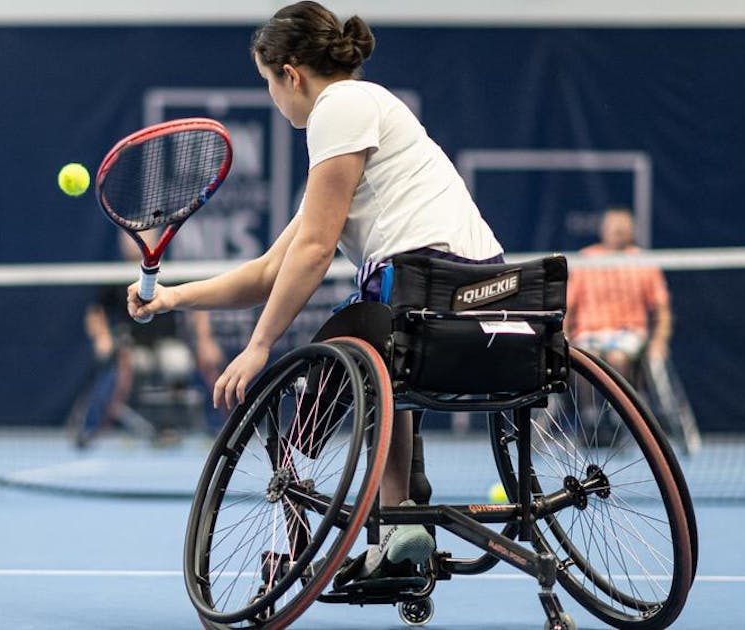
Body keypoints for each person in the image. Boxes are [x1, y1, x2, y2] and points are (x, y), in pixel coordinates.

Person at [126, 1, 503, 580]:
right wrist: (174, 297)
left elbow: (314, 250)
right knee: (381, 352)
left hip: (426, 292)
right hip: (494, 305)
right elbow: (268, 271)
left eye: (268, 84)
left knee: (345, 357)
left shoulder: (340, 105)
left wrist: (258, 347)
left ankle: (378, 510)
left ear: (292, 75)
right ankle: (400, 522)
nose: (276, 102)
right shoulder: (359, 130)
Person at [68, 234, 224, 447]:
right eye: (129, 238)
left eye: (141, 236)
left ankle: (219, 429)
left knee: (198, 364)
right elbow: (95, 312)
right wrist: (102, 337)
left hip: (170, 345)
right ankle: (90, 429)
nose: (133, 241)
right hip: (133, 348)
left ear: (156, 239)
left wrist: (205, 341)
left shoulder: (171, 271)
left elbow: (197, 309)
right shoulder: (113, 275)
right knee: (120, 369)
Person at [566, 208, 672, 382]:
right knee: (587, 359)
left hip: (628, 333)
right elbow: (567, 307)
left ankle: (619, 409)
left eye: (623, 229)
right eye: (614, 228)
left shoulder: (643, 261)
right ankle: (589, 410)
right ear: (604, 230)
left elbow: (662, 309)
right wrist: (564, 338)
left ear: (631, 231)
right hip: (589, 334)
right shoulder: (585, 259)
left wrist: (659, 342)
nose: (618, 233)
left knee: (617, 358)